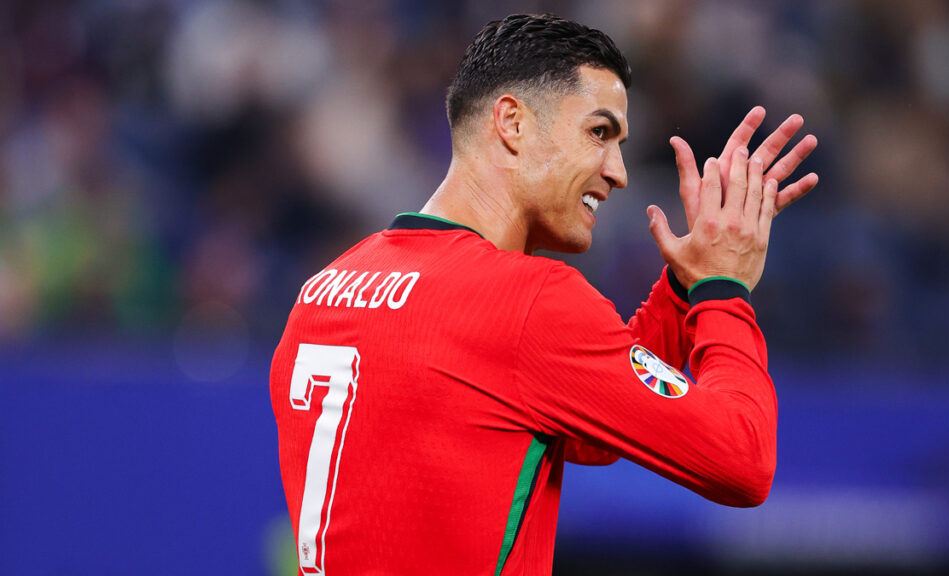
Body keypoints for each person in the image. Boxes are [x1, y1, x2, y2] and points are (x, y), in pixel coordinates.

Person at [270, 13, 818, 575]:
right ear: (512, 122)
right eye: (599, 133)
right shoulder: (527, 303)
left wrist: (681, 289)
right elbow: (742, 458)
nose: (619, 172)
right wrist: (722, 290)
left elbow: (583, 424)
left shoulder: (323, 292)